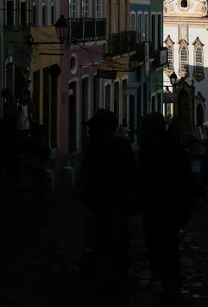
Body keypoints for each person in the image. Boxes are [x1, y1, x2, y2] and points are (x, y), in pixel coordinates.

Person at [79, 109, 137, 302]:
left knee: (106, 246)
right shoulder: (120, 146)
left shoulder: (97, 148)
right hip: (113, 205)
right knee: (114, 248)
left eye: (93, 128)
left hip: (107, 205)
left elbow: (85, 175)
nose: (89, 132)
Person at [137, 113, 194, 305]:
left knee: (160, 249)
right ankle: (170, 286)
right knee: (168, 249)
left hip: (159, 209)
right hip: (168, 209)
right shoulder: (174, 147)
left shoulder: (152, 149)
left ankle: (169, 288)